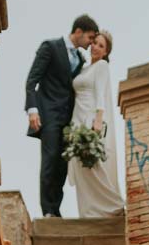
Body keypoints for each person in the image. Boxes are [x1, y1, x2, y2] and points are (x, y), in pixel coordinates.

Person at [25, 13, 99, 216]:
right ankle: (48, 210)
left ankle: (56, 209)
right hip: (48, 115)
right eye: (90, 38)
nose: (91, 43)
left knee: (62, 165)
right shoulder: (50, 47)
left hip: (69, 119)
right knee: (49, 161)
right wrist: (32, 110)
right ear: (78, 32)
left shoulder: (81, 58)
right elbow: (32, 80)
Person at [69, 30, 124, 217]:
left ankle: (114, 205)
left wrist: (98, 119)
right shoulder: (83, 68)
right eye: (95, 43)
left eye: (101, 46)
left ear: (106, 52)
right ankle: (88, 211)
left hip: (90, 118)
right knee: (80, 165)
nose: (95, 47)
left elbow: (100, 94)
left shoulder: (101, 66)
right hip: (77, 118)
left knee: (93, 163)